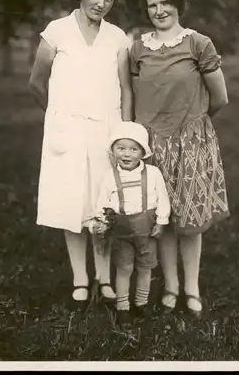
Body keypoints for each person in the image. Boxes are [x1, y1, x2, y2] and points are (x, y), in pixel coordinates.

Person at [29, 0, 133, 310]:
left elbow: (125, 89)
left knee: (101, 203)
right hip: (68, 129)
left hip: (106, 129)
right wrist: (58, 114)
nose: (101, 4)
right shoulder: (57, 32)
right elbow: (36, 82)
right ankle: (80, 279)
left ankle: (103, 277)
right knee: (72, 202)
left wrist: (125, 133)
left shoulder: (117, 37)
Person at [129, 0, 230, 318]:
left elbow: (220, 97)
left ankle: (192, 288)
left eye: (164, 3)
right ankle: (170, 286)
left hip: (190, 141)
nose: (158, 11)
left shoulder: (198, 44)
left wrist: (195, 123)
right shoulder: (138, 48)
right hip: (152, 145)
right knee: (164, 218)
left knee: (191, 219)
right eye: (151, 5)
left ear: (178, 4)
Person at [88, 121, 170, 326]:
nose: (126, 154)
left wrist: (161, 222)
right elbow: (102, 204)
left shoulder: (153, 174)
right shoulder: (110, 177)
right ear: (113, 150)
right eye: (121, 148)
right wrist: (102, 221)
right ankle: (122, 306)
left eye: (133, 149)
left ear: (143, 152)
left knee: (145, 267)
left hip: (147, 230)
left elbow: (163, 199)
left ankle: (141, 303)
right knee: (124, 268)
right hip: (122, 232)